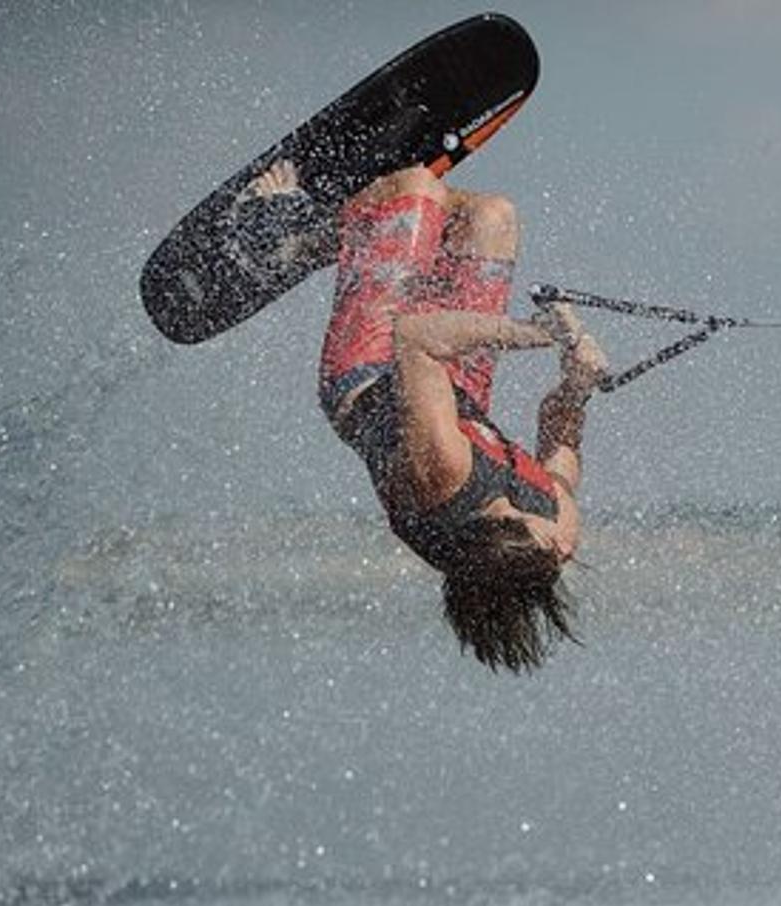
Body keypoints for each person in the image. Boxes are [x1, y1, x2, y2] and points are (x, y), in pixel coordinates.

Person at [245, 159, 607, 673]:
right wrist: (577, 383)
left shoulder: (442, 477)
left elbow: (414, 338)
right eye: (560, 552)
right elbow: (561, 439)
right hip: (459, 390)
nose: (565, 545)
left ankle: (293, 236)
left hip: (370, 369)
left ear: (507, 526)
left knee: (418, 187)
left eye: (553, 546)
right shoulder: (552, 530)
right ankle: (356, 234)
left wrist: (539, 334)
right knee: (491, 217)